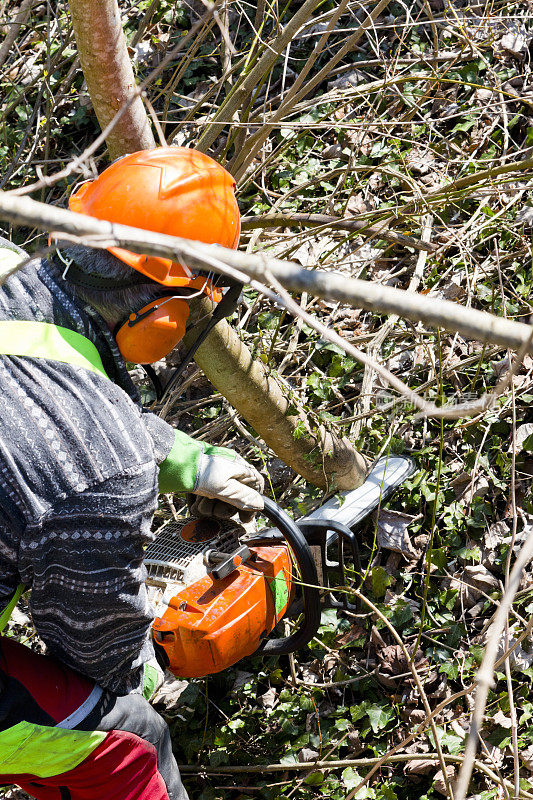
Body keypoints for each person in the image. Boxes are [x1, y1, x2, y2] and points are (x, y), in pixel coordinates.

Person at [0, 148, 264, 800]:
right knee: (129, 744)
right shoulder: (98, 458)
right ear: (159, 311)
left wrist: (190, 462)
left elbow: (42, 389)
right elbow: (95, 651)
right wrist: (147, 662)